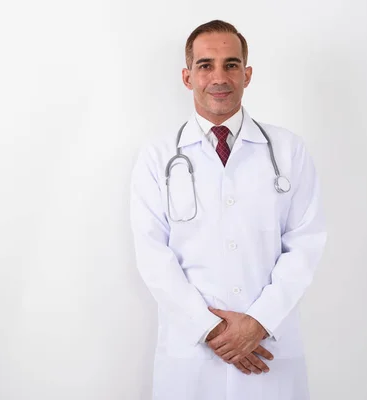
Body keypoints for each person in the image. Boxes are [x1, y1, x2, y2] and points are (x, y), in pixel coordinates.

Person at [129, 20, 327, 400]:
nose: (219, 77)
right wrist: (214, 331)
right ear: (188, 77)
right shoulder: (157, 156)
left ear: (247, 74)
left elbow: (305, 244)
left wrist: (258, 322)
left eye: (231, 64)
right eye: (206, 65)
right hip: (193, 353)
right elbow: (153, 256)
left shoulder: (288, 150)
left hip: (269, 348)